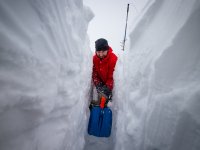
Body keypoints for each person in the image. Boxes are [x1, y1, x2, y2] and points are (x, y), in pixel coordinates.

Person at [90, 38, 118, 109]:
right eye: (99, 52)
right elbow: (94, 73)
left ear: (107, 50)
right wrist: (98, 84)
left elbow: (112, 77)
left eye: (103, 51)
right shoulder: (94, 59)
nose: (101, 54)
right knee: (101, 98)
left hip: (110, 84)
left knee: (105, 98)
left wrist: (106, 89)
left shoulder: (113, 59)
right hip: (101, 83)